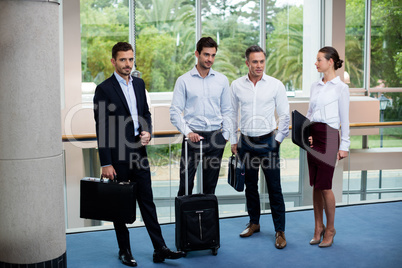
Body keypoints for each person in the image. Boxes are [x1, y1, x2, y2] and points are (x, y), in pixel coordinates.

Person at [93, 42, 185, 267]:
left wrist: (147, 131)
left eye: (131, 59)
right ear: (113, 61)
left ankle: (159, 248)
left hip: (138, 152)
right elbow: (102, 129)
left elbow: (145, 113)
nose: (128, 64)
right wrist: (106, 162)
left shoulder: (139, 84)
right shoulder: (104, 89)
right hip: (117, 156)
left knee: (147, 201)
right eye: (123, 59)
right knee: (120, 206)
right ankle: (124, 250)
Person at [230, 45, 290, 249]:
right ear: (247, 63)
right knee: (251, 187)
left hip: (268, 142)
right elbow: (230, 114)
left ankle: (280, 231)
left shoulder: (275, 85)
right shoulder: (237, 85)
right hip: (246, 142)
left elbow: (284, 115)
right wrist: (233, 140)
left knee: (275, 188)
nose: (259, 65)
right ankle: (254, 222)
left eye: (262, 61)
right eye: (254, 61)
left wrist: (278, 140)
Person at [170, 37, 232, 196]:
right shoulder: (183, 81)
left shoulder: (222, 80)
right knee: (185, 186)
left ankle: (205, 221)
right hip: (192, 138)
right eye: (206, 54)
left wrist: (225, 135)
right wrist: (188, 132)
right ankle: (184, 222)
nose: (210, 59)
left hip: (215, 138)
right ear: (197, 54)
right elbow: (175, 112)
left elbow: (227, 110)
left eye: (213, 55)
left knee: (209, 188)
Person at [306, 46, 350, 248]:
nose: (316, 63)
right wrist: (306, 134)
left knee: (325, 186)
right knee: (316, 185)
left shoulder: (341, 88)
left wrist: (345, 145)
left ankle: (330, 228)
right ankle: (318, 227)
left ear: (330, 61)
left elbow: (345, 119)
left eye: (319, 60)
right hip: (314, 136)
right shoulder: (315, 86)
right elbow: (310, 112)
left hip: (330, 137)